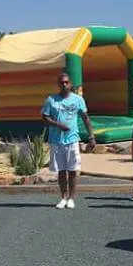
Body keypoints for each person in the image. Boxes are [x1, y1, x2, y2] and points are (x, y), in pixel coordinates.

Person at [41, 72, 95, 209]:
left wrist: (91, 137)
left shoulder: (78, 100)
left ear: (70, 84)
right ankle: (63, 197)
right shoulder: (51, 100)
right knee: (61, 171)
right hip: (56, 140)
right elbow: (45, 117)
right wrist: (58, 125)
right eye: (62, 82)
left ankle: (71, 198)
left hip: (72, 140)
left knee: (72, 170)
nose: (64, 85)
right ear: (58, 84)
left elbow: (85, 118)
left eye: (66, 82)